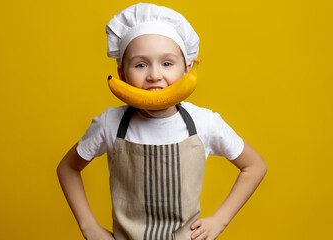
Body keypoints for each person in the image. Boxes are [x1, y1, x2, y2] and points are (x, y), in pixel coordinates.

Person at [57, 3, 267, 240]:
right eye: (141, 64)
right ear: (122, 74)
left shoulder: (204, 123)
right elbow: (68, 168)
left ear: (187, 70)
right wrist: (89, 227)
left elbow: (255, 166)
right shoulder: (110, 124)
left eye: (167, 63)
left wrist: (220, 220)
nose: (154, 75)